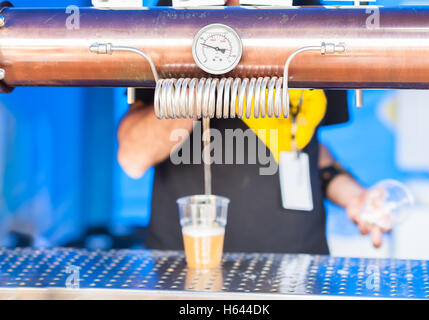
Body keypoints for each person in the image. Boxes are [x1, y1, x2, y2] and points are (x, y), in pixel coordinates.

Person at [117, 0, 390, 254]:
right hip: (188, 268)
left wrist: (354, 196)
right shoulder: (178, 14)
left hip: (299, 268)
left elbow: (308, 149)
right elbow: (134, 157)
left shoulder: (315, 19)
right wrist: (210, 63)